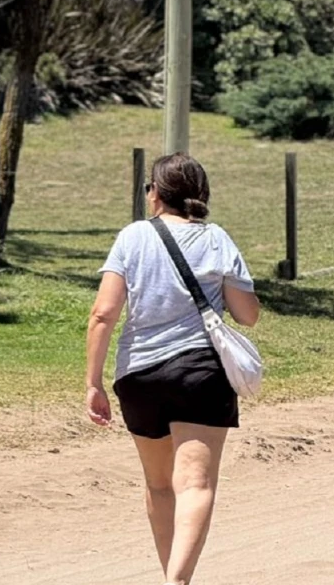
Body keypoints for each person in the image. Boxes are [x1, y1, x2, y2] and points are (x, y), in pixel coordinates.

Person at [85, 152, 260, 585]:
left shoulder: (132, 237)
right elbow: (247, 316)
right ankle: (177, 581)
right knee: (195, 484)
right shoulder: (217, 238)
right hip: (200, 370)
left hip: (138, 375)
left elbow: (103, 315)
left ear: (157, 194)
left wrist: (93, 383)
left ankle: (172, 577)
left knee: (160, 484)